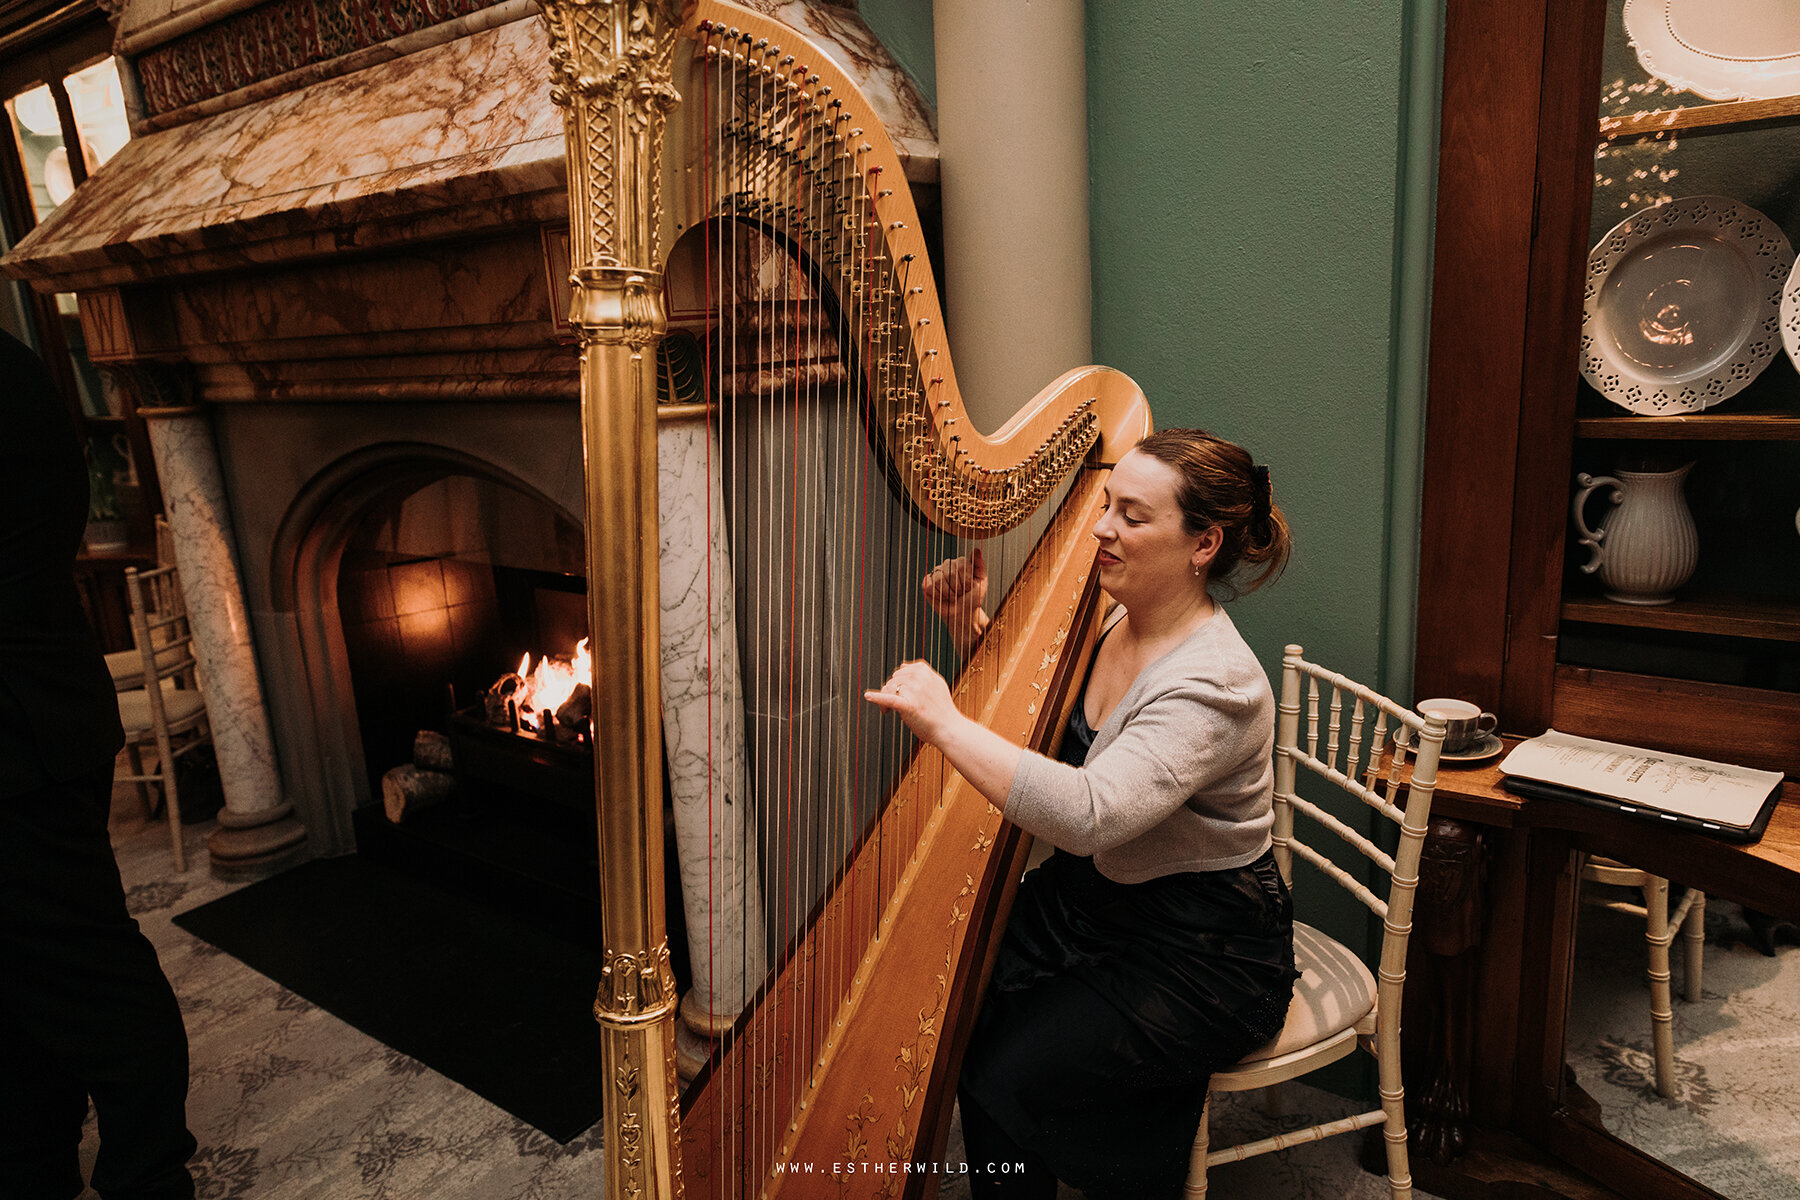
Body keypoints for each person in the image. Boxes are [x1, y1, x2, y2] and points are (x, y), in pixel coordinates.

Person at [866, 428, 1295, 1199]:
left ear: (1204, 544)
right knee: (952, 1001)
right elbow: (1059, 729)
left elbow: (1091, 813)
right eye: (1107, 506)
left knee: (1006, 1072)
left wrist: (945, 723)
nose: (1101, 528)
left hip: (1199, 946)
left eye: (1133, 516)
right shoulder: (1111, 616)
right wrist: (972, 624)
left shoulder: (1217, 683)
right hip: (1095, 904)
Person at [0, 328, 197, 1199]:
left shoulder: (7, 380)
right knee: (22, 986)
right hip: (35, 729)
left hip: (22, 740)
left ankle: (150, 1178)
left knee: (91, 978)